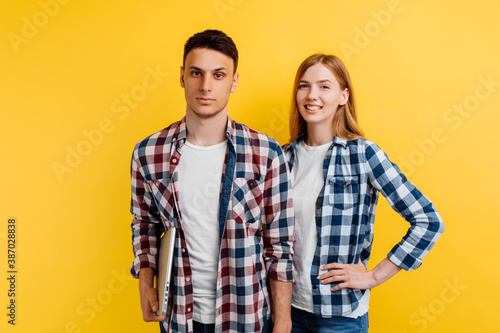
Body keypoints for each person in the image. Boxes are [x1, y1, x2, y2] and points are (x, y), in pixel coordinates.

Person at [129, 30, 294, 333]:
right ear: (182, 77)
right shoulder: (148, 153)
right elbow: (145, 225)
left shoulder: (266, 153)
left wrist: (283, 322)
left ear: (233, 81)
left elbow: (280, 245)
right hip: (179, 317)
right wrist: (145, 285)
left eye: (218, 75)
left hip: (245, 315)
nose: (205, 86)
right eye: (196, 73)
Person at [283, 54, 444, 332]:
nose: (312, 95)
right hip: (287, 310)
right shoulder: (282, 158)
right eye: (304, 86)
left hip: (340, 316)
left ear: (343, 96)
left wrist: (373, 277)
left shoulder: (363, 154)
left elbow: (428, 220)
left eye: (324, 86)